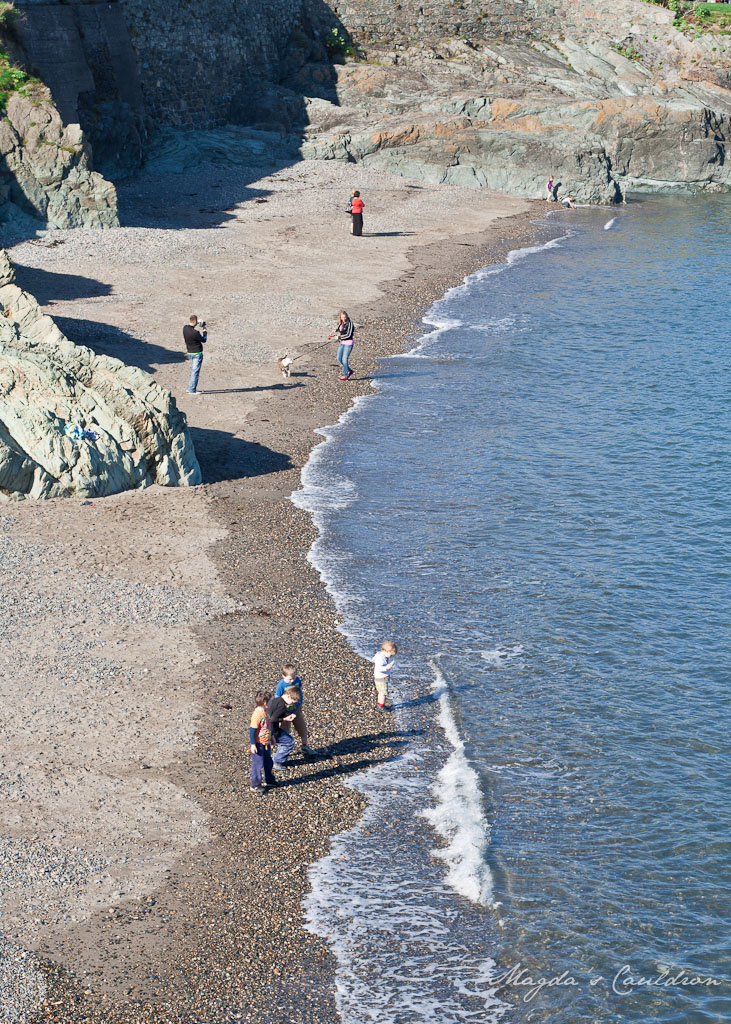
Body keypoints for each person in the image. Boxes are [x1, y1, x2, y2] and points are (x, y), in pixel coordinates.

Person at [275, 663, 316, 757]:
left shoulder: (297, 681)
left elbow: (300, 692)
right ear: (283, 676)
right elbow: (277, 698)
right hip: (286, 712)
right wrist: (282, 713)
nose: (292, 680)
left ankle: (305, 746)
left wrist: (300, 703)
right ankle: (282, 751)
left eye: (294, 678)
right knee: (285, 731)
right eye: (290, 679)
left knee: (302, 729)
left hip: (296, 710)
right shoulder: (281, 685)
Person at [249, 691, 277, 796]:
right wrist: (253, 744)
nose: (271, 702)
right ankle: (255, 784)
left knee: (268, 762)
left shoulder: (267, 711)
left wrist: (272, 736)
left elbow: (269, 725)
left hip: (266, 742)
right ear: (265, 702)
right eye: (270, 701)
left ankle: (269, 780)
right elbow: (252, 730)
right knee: (257, 764)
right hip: (258, 743)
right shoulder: (257, 714)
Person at [267, 687, 301, 767]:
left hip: (265, 728)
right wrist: (285, 719)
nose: (292, 703)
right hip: (272, 730)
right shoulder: (282, 706)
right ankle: (276, 761)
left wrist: (287, 714)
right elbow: (273, 719)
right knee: (289, 742)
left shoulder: (276, 700)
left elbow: (273, 713)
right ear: (288, 696)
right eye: (292, 701)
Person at [183, 314, 207, 395]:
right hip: (197, 353)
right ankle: (191, 389)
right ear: (194, 321)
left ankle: (190, 387)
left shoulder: (185, 328)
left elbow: (190, 327)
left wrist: (197, 323)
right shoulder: (195, 333)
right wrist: (204, 328)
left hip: (190, 352)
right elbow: (204, 339)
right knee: (195, 372)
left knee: (194, 371)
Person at [329, 310, 355, 380]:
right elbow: (341, 329)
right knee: (339, 358)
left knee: (344, 359)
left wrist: (339, 337)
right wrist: (336, 330)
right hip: (342, 342)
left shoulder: (350, 324)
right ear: (340, 317)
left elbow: (348, 335)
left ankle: (346, 375)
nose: (344, 319)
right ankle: (349, 370)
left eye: (344, 317)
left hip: (348, 343)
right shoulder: (341, 323)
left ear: (347, 316)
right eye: (342, 317)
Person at [373, 641, 397, 710]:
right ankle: (381, 706)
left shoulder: (381, 655)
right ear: (387, 651)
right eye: (391, 655)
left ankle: (380, 704)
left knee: (381, 692)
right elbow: (378, 668)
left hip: (381, 678)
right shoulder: (381, 658)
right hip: (381, 678)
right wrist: (386, 668)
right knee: (382, 693)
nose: (391, 656)